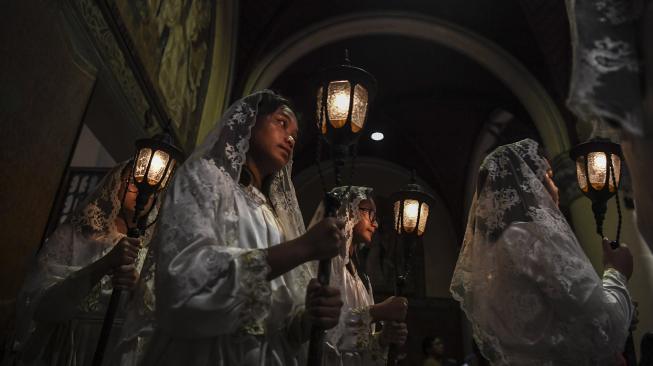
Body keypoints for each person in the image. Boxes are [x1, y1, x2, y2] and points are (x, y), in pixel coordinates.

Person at [132, 90, 344, 366]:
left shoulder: (274, 215)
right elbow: (183, 280)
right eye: (282, 123)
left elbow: (281, 322)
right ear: (250, 121)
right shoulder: (204, 179)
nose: (290, 138)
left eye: (295, 134)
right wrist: (303, 247)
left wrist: (308, 317)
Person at [450, 139, 635, 365]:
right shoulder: (530, 237)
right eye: (548, 175)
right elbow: (605, 325)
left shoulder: (491, 254)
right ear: (526, 183)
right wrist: (616, 272)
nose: (555, 186)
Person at [12, 161, 155, 365]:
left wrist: (138, 287)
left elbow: (158, 321)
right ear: (116, 185)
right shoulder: (73, 237)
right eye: (135, 180)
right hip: (65, 349)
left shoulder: (150, 254)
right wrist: (104, 264)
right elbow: (40, 306)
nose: (144, 189)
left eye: (153, 184)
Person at [311, 186, 408, 365]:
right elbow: (325, 333)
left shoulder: (363, 280)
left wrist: (383, 339)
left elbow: (362, 347)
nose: (375, 224)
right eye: (368, 212)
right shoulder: (326, 264)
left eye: (375, 216)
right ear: (348, 213)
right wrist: (375, 312)